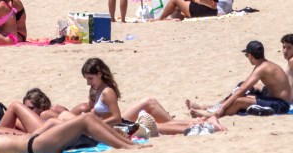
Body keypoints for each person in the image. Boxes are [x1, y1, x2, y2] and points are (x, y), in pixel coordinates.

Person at [72, 57, 223, 137]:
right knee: (162, 127)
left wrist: (97, 123)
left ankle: (206, 125)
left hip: (119, 125)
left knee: (160, 128)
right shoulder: (97, 90)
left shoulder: (107, 92)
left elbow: (117, 118)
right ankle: (202, 121)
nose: (88, 82)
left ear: (99, 74)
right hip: (115, 125)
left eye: (90, 78)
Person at [0, 111, 139, 153]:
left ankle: (124, 141)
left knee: (87, 118)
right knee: (85, 120)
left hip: (35, 140)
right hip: (35, 147)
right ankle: (127, 147)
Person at [186, 41, 292, 117]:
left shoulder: (261, 68)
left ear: (250, 56)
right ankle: (211, 106)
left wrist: (223, 107)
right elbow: (244, 85)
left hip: (281, 104)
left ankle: (213, 115)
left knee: (239, 101)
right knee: (243, 87)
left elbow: (242, 90)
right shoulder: (263, 64)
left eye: (246, 55)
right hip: (273, 97)